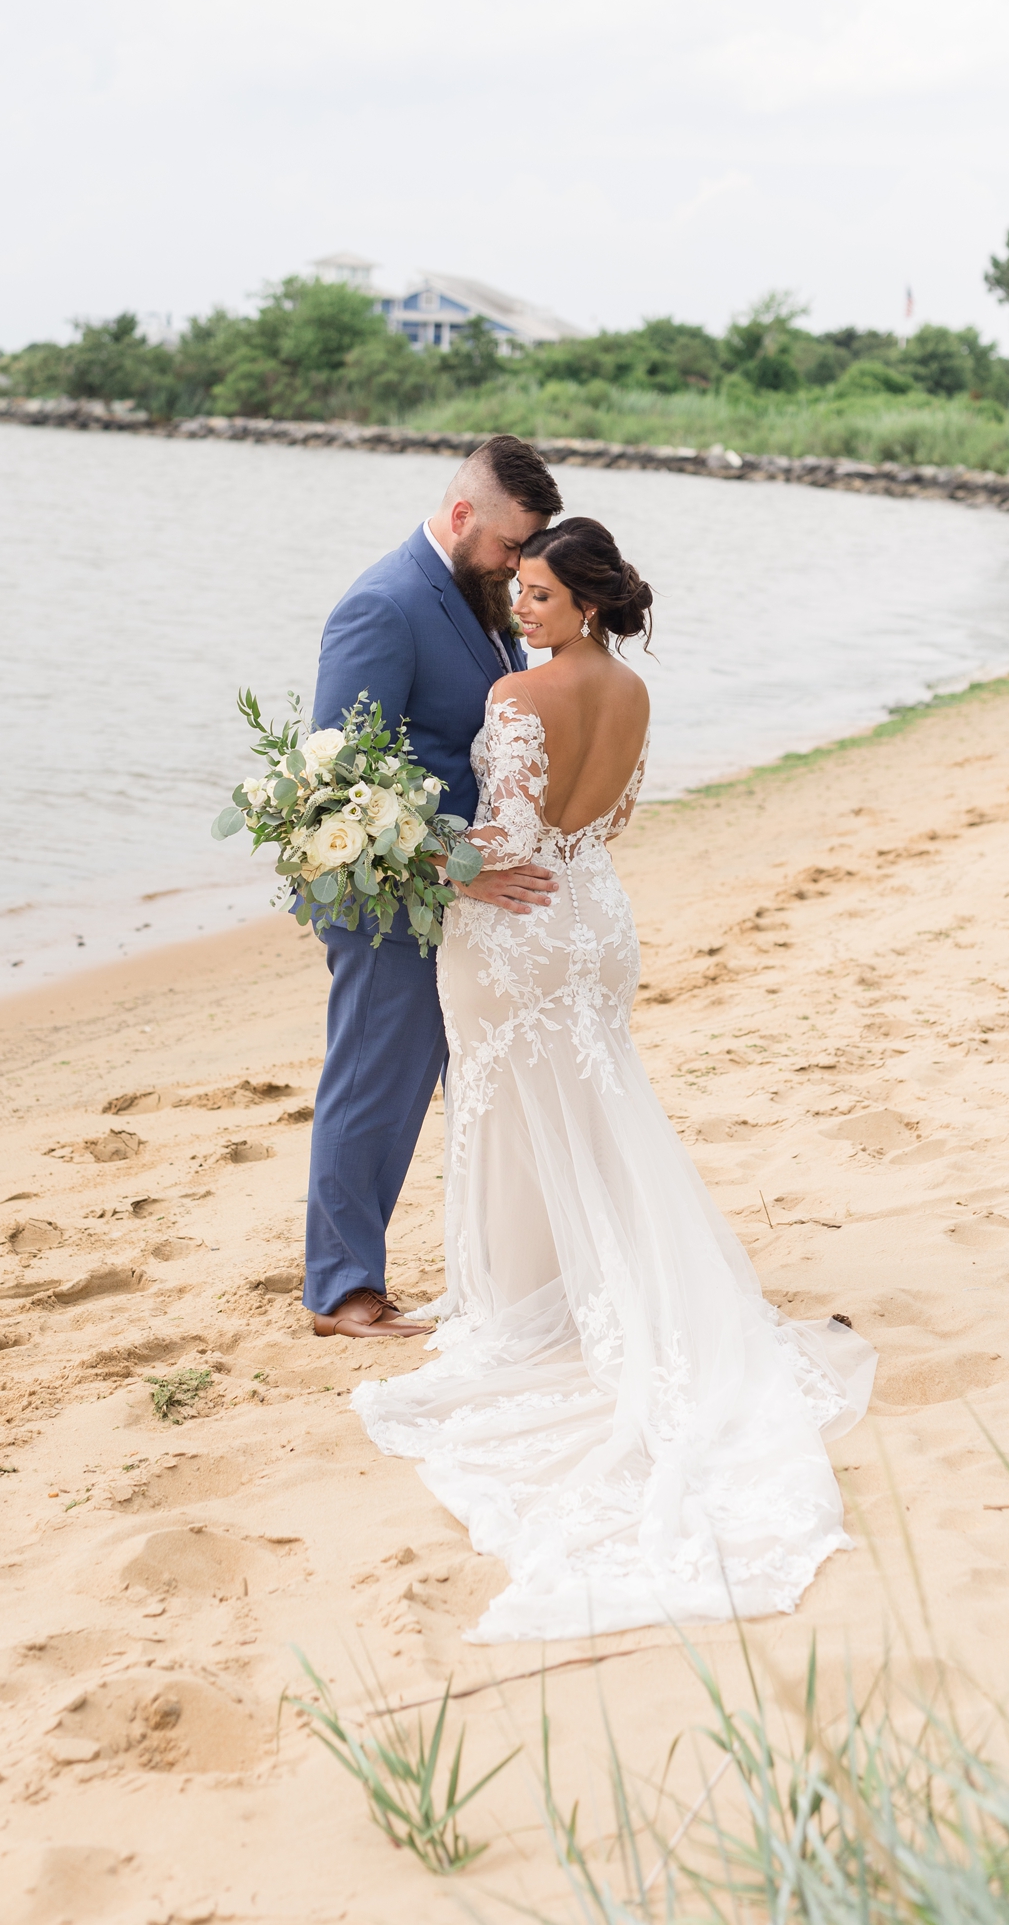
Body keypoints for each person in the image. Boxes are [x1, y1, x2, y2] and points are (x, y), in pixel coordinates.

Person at [353, 516, 877, 1640]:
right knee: (591, 1101)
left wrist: (411, 853)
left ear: (584, 602)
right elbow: (611, 820)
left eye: (538, 595)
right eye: (521, 591)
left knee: (502, 1108)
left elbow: (500, 841)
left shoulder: (515, 701)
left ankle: (522, 1304)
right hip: (595, 918)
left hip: (516, 924)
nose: (520, 610)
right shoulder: (632, 694)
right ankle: (574, 1282)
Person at [303, 434, 563, 1340]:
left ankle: (495, 1272)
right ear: (463, 518)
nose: (517, 567)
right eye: (508, 547)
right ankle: (341, 1292)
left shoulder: (483, 598)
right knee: (375, 1085)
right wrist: (462, 867)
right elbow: (341, 782)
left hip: (467, 901)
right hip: (387, 898)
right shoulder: (383, 605)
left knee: (479, 1089)